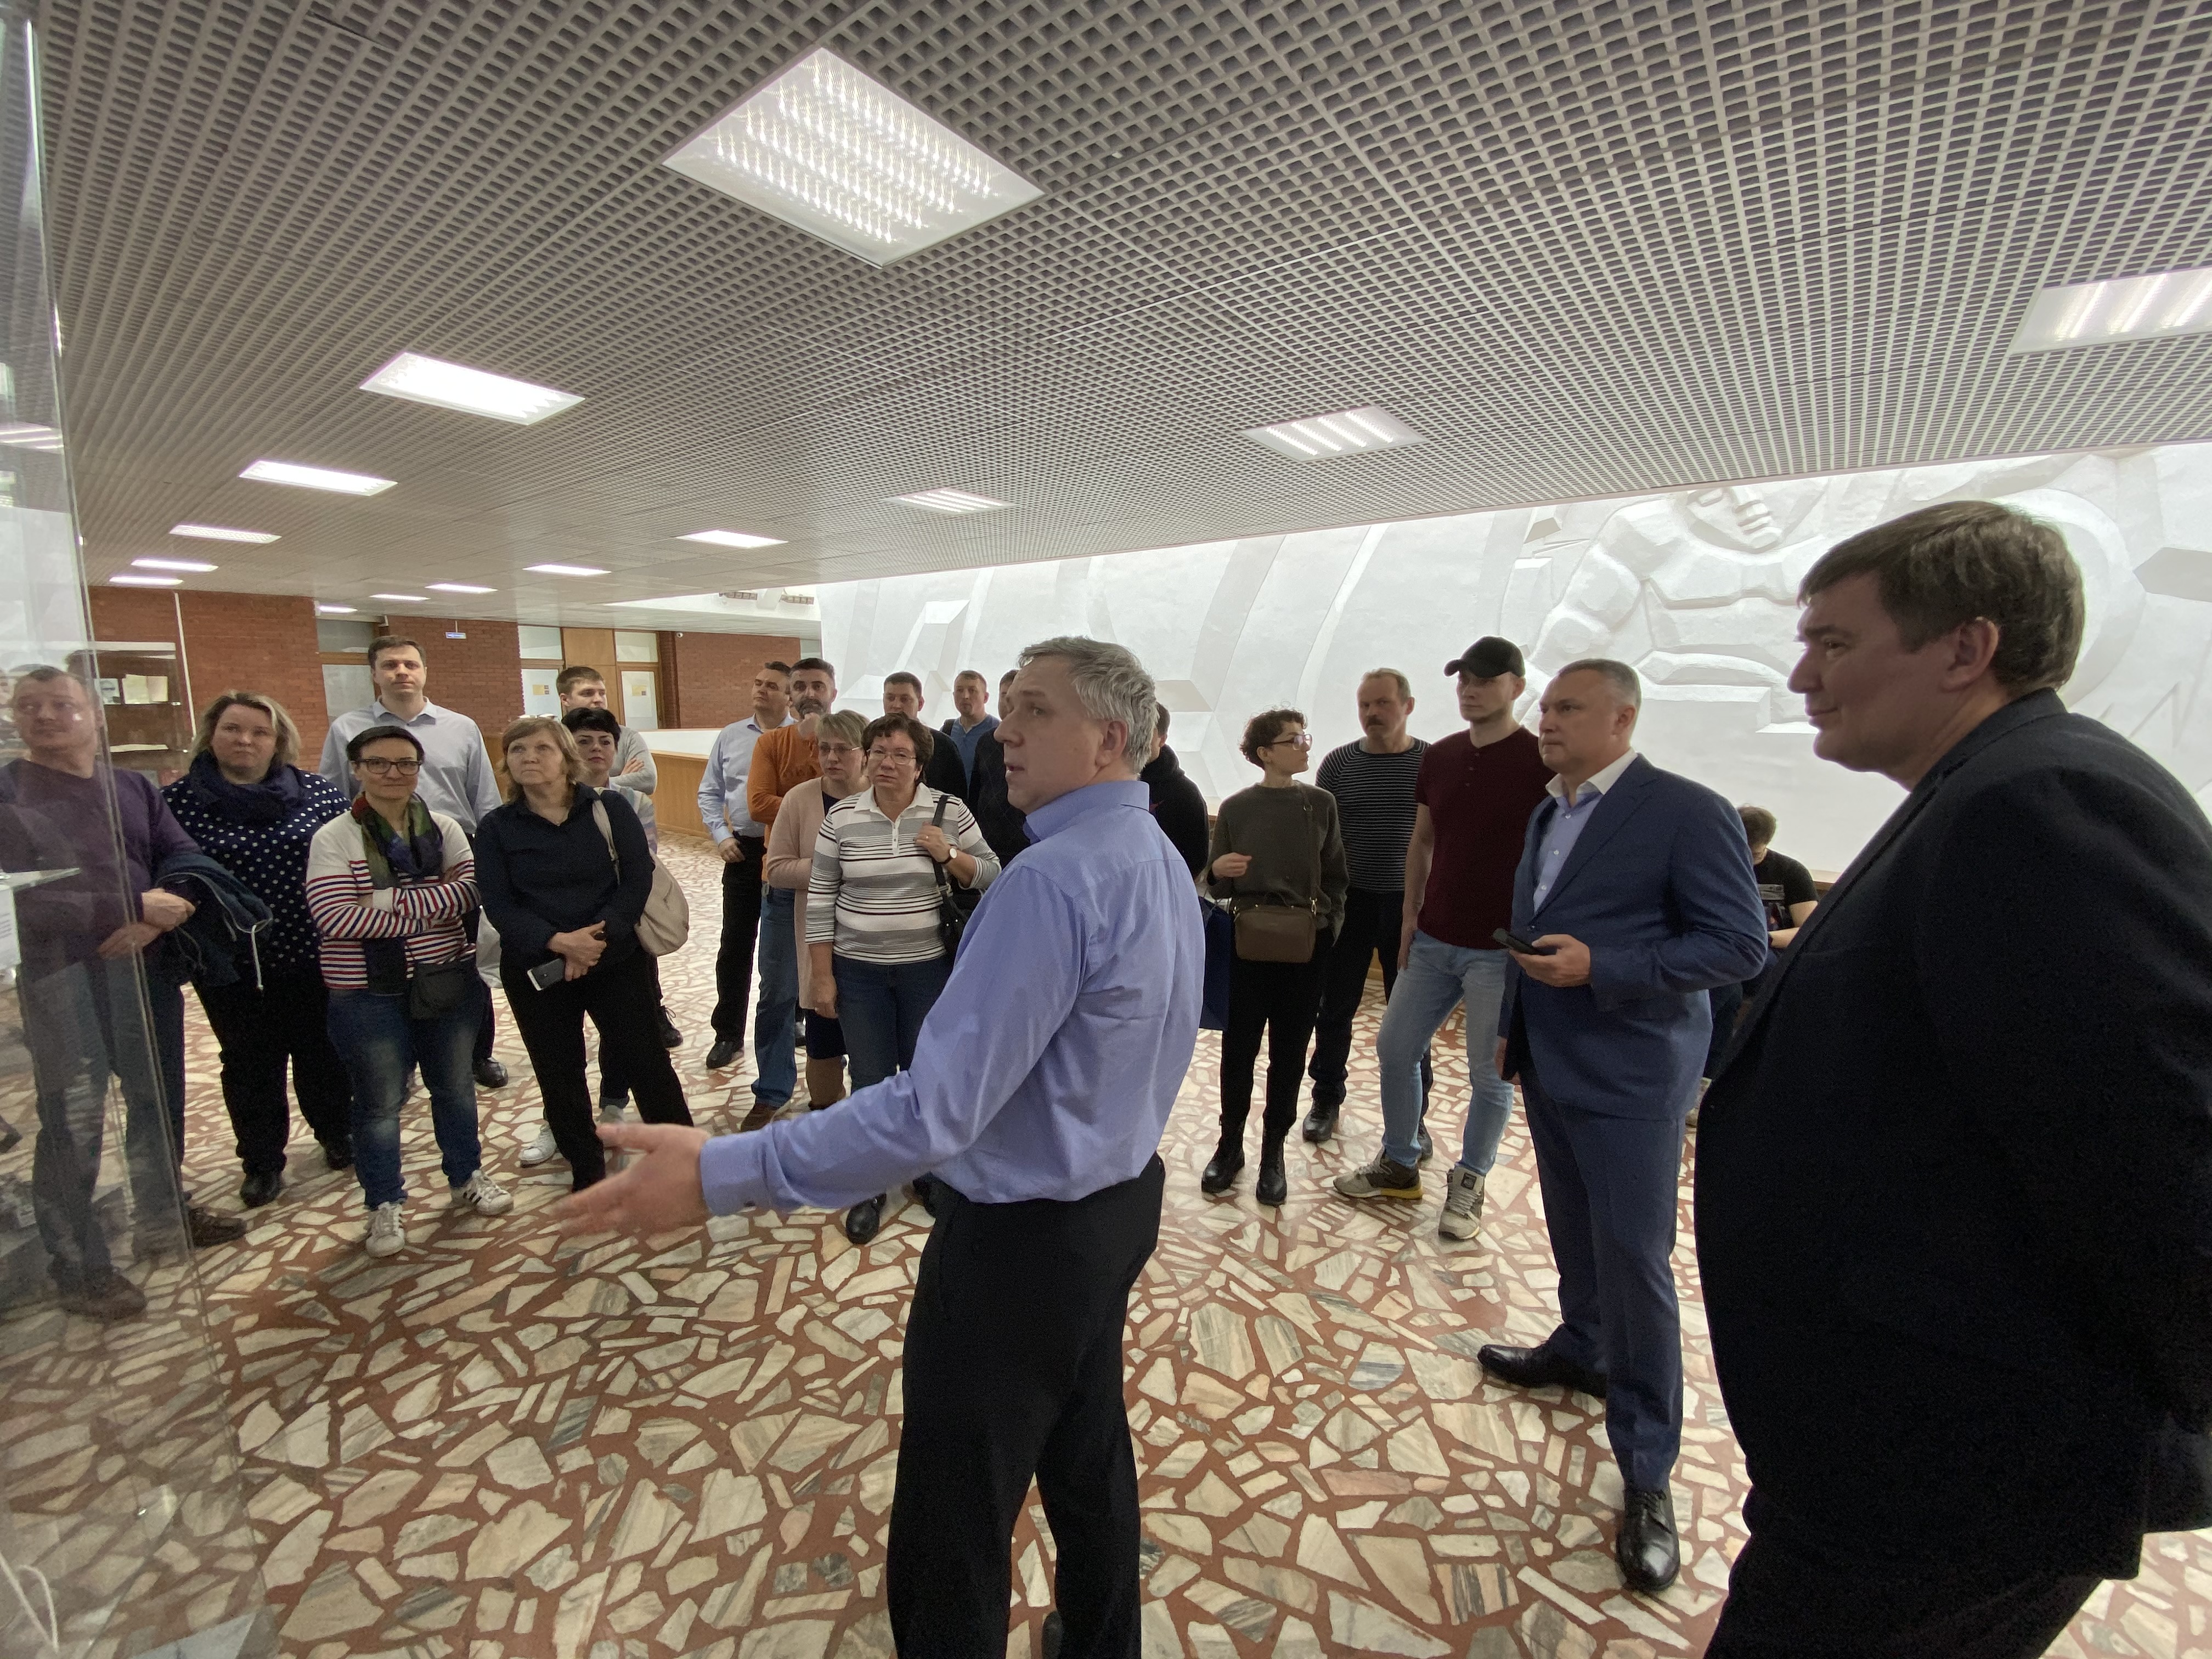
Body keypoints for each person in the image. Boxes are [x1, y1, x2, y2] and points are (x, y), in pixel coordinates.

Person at [561, 636, 1203, 1659]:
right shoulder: (1153, 852)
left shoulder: (1052, 880)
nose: (1006, 729)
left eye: (1036, 710)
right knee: (1088, 1454)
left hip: (1021, 1244)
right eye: (1010, 707)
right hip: (1115, 1209)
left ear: (1109, 738)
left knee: (955, 1508)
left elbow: (934, 1109)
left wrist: (729, 1169)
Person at [1696, 501, 2212, 1657]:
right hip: (1894, 1449)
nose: (1802, 676)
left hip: (1956, 1464)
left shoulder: (2043, 800)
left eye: (1834, 642)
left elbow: (2161, 1158)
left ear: (1965, 648)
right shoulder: (1981, 788)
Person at [1480, 658, 1766, 1595]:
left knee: (1636, 1259)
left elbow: (1737, 945)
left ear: (1623, 718)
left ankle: (1647, 1465)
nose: (1546, 721)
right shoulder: (1549, 810)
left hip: (1632, 1074)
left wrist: (1604, 965)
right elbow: (1530, 927)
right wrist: (1512, 1027)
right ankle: (1582, 1345)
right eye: (1546, 707)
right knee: (1573, 1228)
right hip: (1550, 1058)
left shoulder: (1686, 810)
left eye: (1567, 707)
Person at [0, 667, 245, 1320]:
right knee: (73, 1121)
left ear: (95, 713)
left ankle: (163, 1216)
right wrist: (130, 907)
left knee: (155, 1100)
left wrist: (155, 918)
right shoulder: (8, 793)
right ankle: (79, 1264)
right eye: (29, 706)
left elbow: (185, 859)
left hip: (145, 972)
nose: (44, 716)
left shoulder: (131, 786)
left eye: (60, 704)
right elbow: (16, 899)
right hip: (62, 980)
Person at [1331, 639, 1553, 1243]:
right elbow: (1423, 839)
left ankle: (1471, 1179)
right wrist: (1411, 915)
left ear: (1516, 686)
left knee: (1490, 1072)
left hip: (1499, 949)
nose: (1470, 690)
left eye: (1485, 680)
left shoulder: (1540, 761)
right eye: (1463, 681)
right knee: (1395, 1047)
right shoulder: (1444, 756)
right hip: (1433, 938)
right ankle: (1400, 1162)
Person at [307, 724, 512, 1256]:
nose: (393, 773)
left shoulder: (445, 828)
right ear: (357, 769)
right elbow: (333, 916)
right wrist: (429, 903)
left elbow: (471, 892)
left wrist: (380, 901)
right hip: (367, 992)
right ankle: (384, 1202)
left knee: (455, 1088)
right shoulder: (335, 837)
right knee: (379, 1102)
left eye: (405, 763)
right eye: (378, 763)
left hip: (446, 980)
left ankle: (466, 1176)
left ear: (419, 770)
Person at [475, 717, 695, 1191]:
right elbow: (498, 904)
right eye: (518, 750)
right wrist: (560, 943)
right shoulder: (496, 827)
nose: (529, 758)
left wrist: (593, 942)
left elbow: (636, 878)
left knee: (647, 1062)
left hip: (614, 959)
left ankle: (685, 1160)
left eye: (542, 748)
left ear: (566, 759)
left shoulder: (608, 808)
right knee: (559, 1073)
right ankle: (587, 1171)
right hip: (538, 968)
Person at [807, 712, 998, 1244]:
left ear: (920, 765)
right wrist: (822, 977)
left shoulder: (949, 810)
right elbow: (820, 899)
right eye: (878, 752)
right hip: (858, 973)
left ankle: (927, 1172)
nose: (887, 763)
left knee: (925, 1075)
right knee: (870, 1080)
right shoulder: (842, 818)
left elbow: (992, 872)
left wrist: (949, 853)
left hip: (927, 972)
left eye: (900, 755)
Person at [163, 691, 354, 1206]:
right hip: (228, 962)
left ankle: (338, 1134)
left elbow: (351, 852)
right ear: (211, 735)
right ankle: (263, 1161)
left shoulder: (317, 793)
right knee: (249, 1062)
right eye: (232, 729)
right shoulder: (178, 803)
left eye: (259, 732)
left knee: (322, 1050)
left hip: (313, 949)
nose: (245, 740)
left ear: (278, 740)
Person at [318, 635, 509, 1088]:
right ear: (375, 674)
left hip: (453, 849)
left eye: (410, 664)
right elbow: (332, 797)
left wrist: (493, 858)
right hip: (374, 850)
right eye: (390, 665)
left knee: (465, 957)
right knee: (392, 958)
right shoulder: (347, 728)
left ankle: (476, 1052)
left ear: (424, 671)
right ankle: (396, 1061)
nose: (401, 672)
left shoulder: (461, 727)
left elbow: (484, 797)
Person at [1201, 709, 1347, 1206]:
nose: (1305, 746)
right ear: (1266, 753)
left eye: (1305, 737)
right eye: (1293, 740)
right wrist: (1217, 871)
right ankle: (1230, 1146)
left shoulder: (1320, 804)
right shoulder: (1238, 808)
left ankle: (1273, 1153)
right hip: (1249, 943)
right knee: (1238, 1049)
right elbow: (1216, 883)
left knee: (1290, 1050)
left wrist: (1329, 927)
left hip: (1307, 943)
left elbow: (1336, 876)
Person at [1304, 669, 1429, 1146]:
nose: (1372, 713)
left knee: (1412, 1015)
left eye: (1383, 703)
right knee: (1335, 1006)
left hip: (1409, 906)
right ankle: (1326, 1097)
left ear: (1408, 706)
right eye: (1365, 705)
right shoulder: (1339, 765)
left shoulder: (1431, 763)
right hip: (1349, 903)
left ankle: (1414, 1115)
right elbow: (1322, 839)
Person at [550, 706, 680, 1133]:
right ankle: (558, 1121)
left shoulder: (634, 802)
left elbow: (641, 865)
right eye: (584, 741)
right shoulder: (544, 805)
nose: (596, 749)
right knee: (559, 1042)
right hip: (561, 935)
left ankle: (613, 1101)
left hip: (621, 929)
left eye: (605, 742)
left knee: (626, 1030)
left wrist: (607, 926)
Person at [741, 657, 839, 1121]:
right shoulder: (772, 743)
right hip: (784, 887)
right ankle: (772, 1089)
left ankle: (838, 1082)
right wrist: (810, 804)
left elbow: (863, 796)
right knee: (778, 992)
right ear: (790, 695)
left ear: (833, 691)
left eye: (818, 685)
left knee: (842, 988)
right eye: (800, 686)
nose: (809, 693)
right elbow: (758, 804)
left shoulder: (852, 739)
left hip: (845, 889)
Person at [763, 709, 870, 1116]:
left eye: (843, 749)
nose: (831, 758)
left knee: (875, 1049)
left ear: (865, 753)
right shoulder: (800, 799)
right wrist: (833, 867)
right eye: (824, 749)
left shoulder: (886, 795)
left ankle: (873, 1128)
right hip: (823, 943)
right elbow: (776, 870)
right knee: (824, 1040)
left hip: (877, 945)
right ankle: (827, 1121)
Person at [698, 661, 791, 1070]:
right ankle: (728, 1033)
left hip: (789, 852)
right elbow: (709, 792)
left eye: (772, 686)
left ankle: (795, 1020)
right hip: (743, 851)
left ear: (789, 696)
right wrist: (721, 836)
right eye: (758, 683)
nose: (761, 690)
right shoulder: (731, 736)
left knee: (788, 945)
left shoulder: (801, 737)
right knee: (735, 945)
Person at [1703, 804, 1819, 1076]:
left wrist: (1762, 938)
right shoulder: (1718, 866)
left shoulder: (1790, 872)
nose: (1746, 858)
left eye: (1754, 854)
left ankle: (1700, 1065)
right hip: (1724, 954)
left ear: (1767, 843)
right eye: (1740, 849)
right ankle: (1710, 1073)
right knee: (1729, 991)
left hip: (1767, 952)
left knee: (1726, 980)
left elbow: (1809, 929)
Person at [964, 668, 1029, 868]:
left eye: (1016, 697)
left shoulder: (1039, 741)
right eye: (1004, 696)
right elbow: (975, 793)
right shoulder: (986, 741)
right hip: (987, 844)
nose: (1009, 704)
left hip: (1027, 844)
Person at [1140, 706, 1210, 874]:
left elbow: (1195, 861)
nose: (1136, 739)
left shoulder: (1185, 794)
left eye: (1144, 732)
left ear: (1162, 739)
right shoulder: (1105, 782)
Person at [882, 670, 969, 799]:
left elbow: (957, 796)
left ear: (920, 703)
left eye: (905, 699)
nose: (896, 705)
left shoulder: (942, 745)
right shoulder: (870, 740)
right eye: (890, 698)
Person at [936, 668, 998, 788]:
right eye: (960, 691)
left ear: (985, 697)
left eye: (972, 691)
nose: (965, 696)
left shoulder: (998, 732)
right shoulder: (947, 731)